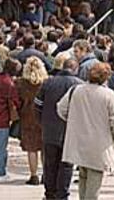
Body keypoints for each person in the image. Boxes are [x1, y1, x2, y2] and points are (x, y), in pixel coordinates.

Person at [57, 62, 114, 200]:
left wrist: (73, 121)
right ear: (106, 77)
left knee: (83, 176)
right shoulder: (110, 96)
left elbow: (61, 108)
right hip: (99, 144)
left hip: (78, 140)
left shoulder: (76, 90)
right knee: (94, 182)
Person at [35, 59, 84, 199]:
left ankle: (49, 193)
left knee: (50, 164)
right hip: (70, 131)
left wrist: (42, 122)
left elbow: (37, 105)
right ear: (76, 69)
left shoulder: (48, 82)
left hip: (49, 129)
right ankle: (62, 194)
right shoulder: (79, 85)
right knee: (66, 165)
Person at [16, 56, 49, 185]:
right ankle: (46, 174)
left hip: (27, 116)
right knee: (44, 147)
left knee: (32, 148)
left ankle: (33, 175)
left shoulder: (21, 83)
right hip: (43, 116)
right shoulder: (46, 82)